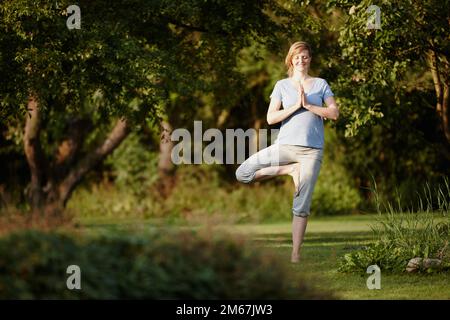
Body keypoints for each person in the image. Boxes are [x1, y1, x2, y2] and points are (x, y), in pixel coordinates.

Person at [235, 41, 339, 263]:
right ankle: (289, 169)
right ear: (291, 59)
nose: (301, 60)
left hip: (311, 152)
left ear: (310, 59)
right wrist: (295, 106)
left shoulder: (320, 84)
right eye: (297, 57)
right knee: (243, 173)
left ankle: (295, 254)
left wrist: (309, 106)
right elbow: (271, 118)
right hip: (284, 147)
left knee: (302, 204)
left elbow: (334, 113)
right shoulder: (281, 85)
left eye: (305, 56)